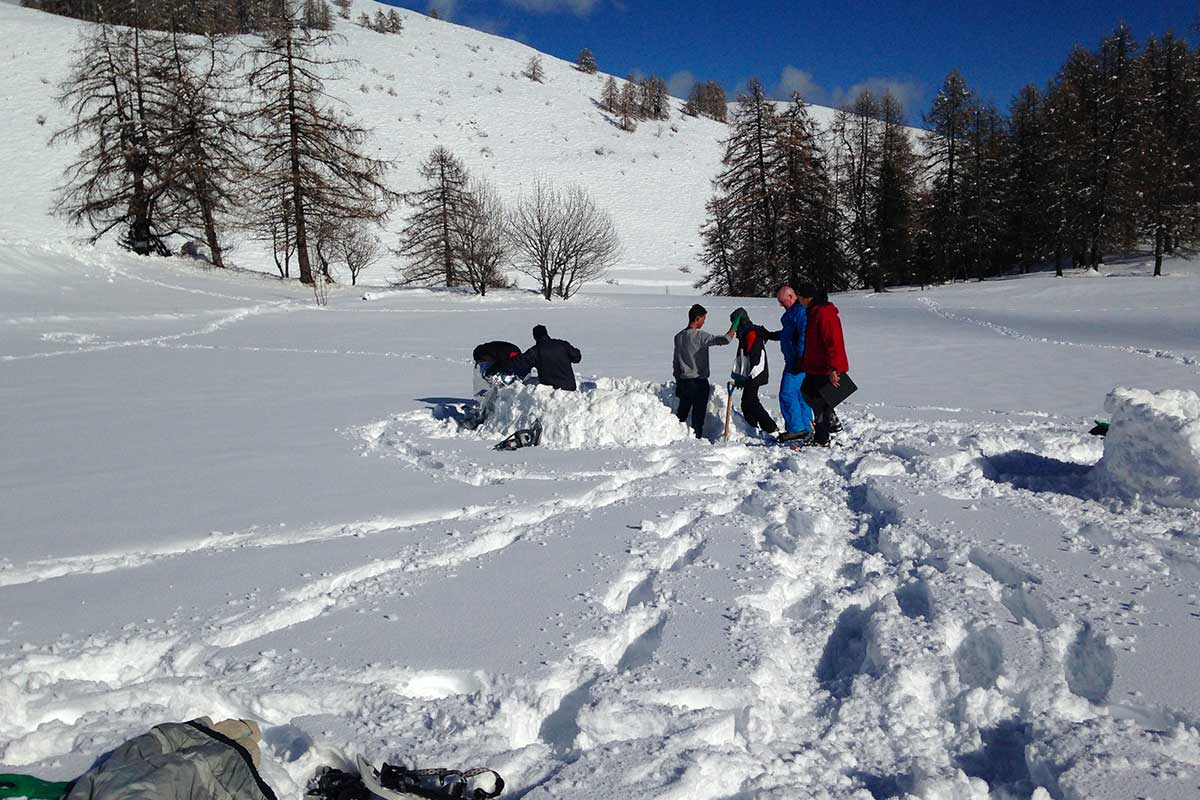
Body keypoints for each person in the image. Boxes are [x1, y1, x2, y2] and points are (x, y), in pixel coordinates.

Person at [796, 286, 849, 446]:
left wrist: (834, 368)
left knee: (820, 399)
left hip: (825, 367)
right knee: (809, 393)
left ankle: (826, 433)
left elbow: (833, 341)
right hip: (814, 366)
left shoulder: (824, 313)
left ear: (808, 297)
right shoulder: (813, 312)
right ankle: (826, 430)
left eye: (799, 297)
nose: (798, 300)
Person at [672, 303, 733, 439]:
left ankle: (677, 438)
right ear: (697, 318)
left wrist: (678, 380)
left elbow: (676, 362)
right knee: (698, 417)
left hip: (684, 382)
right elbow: (725, 340)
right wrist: (735, 324)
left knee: (681, 414)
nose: (704, 322)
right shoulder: (700, 336)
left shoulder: (679, 337)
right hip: (698, 383)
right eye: (704, 319)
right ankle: (697, 440)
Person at [772, 285, 814, 443]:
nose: (781, 305)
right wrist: (770, 335)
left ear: (791, 296)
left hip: (797, 362)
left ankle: (797, 429)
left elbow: (804, 335)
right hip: (795, 360)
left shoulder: (800, 312)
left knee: (787, 393)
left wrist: (800, 358)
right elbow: (789, 334)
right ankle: (807, 428)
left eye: (782, 302)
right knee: (800, 395)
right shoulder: (792, 313)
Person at [728, 307, 778, 434]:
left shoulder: (751, 333)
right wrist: (740, 377)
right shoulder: (745, 333)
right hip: (751, 373)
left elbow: (755, 355)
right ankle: (752, 428)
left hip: (755, 372)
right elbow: (742, 356)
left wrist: (749, 376)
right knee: (746, 402)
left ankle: (770, 427)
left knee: (751, 401)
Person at [513, 324, 582, 391]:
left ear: (534, 336)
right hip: (570, 388)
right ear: (546, 333)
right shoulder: (562, 344)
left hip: (550, 391)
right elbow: (577, 357)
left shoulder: (535, 351)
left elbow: (519, 364)